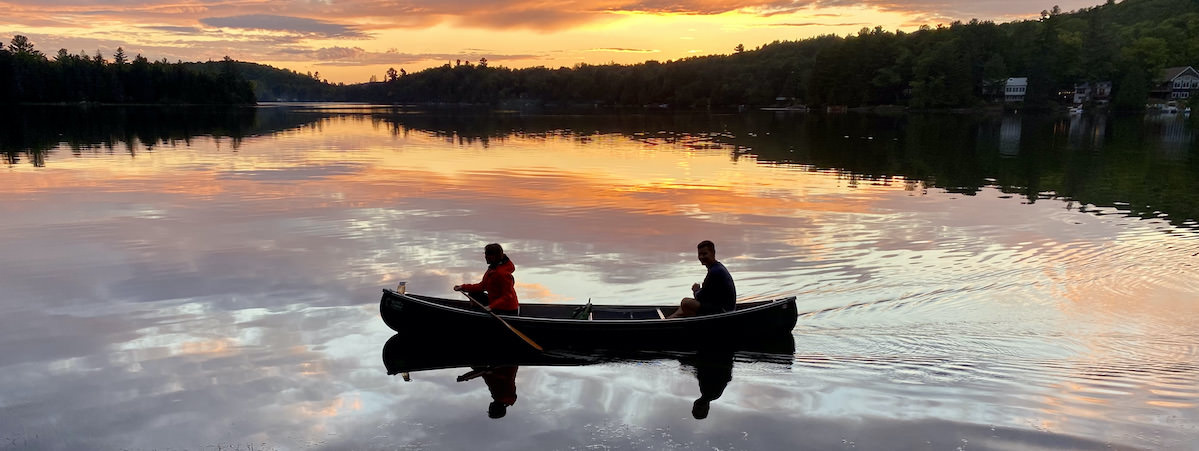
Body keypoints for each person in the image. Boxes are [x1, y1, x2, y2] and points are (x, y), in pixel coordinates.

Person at [669, 240, 736, 318]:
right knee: (684, 306)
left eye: (704, 254)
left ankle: (692, 323)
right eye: (699, 254)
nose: (701, 257)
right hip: (719, 306)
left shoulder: (715, 272)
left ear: (713, 253)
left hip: (723, 311)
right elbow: (706, 295)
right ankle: (668, 320)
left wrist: (695, 290)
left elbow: (700, 297)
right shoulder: (716, 267)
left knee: (685, 302)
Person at [453, 243, 520, 316]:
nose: (485, 257)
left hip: (508, 309)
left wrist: (491, 306)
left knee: (476, 296)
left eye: (487, 255)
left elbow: (507, 296)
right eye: (485, 254)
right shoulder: (492, 269)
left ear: (494, 257)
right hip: (494, 302)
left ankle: (477, 314)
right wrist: (463, 287)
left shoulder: (502, 274)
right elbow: (482, 286)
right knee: (473, 293)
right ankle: (477, 312)